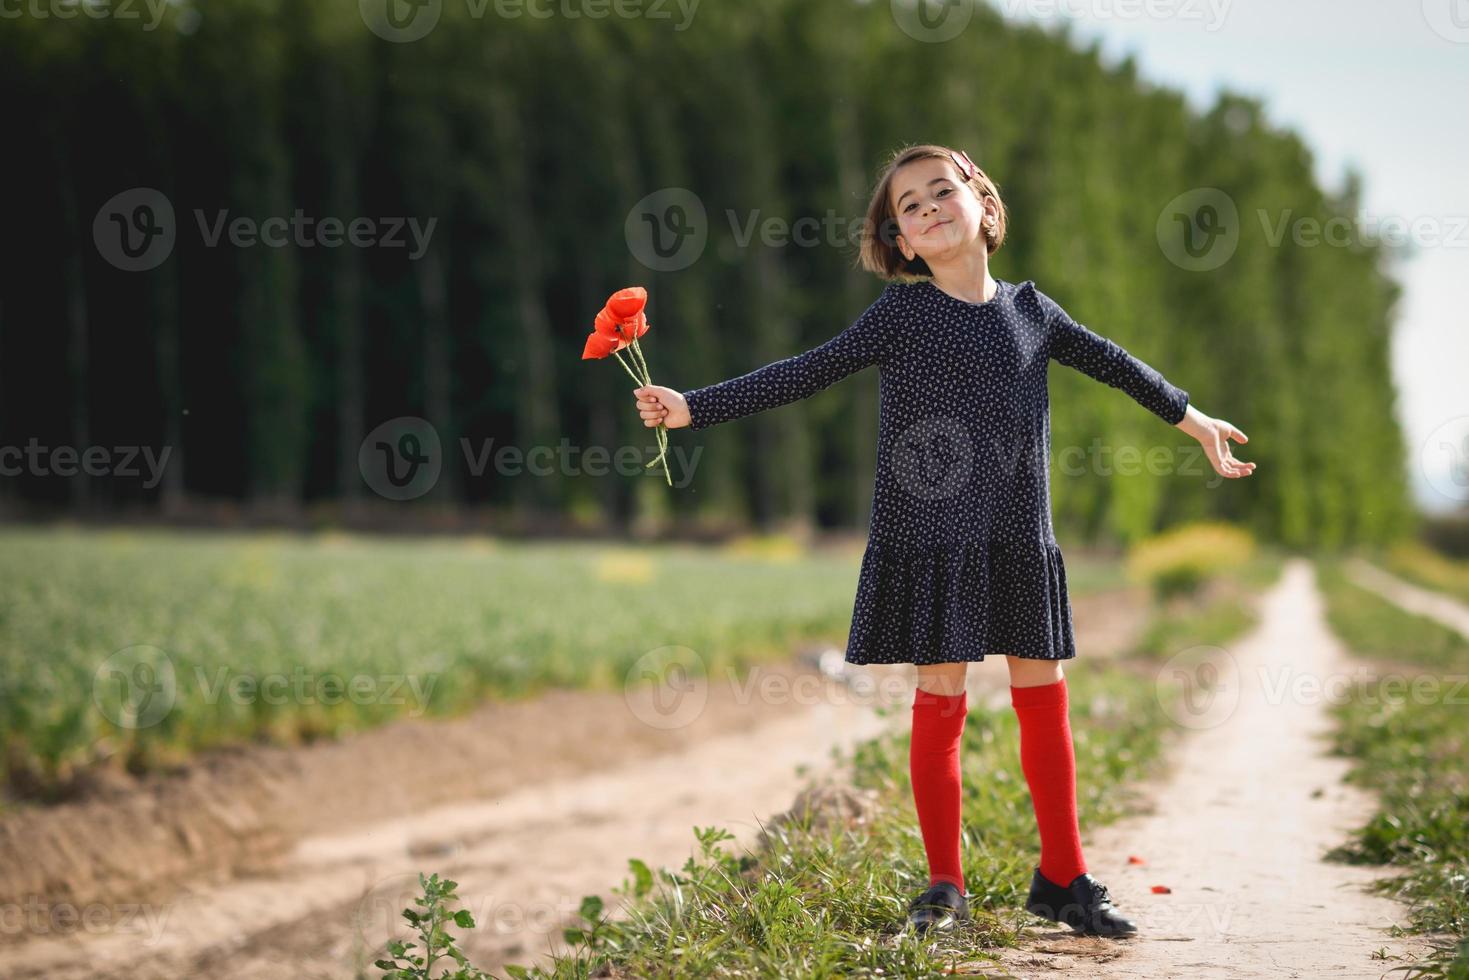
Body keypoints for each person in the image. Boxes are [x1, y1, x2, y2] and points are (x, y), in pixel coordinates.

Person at [630, 143, 1255, 939]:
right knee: (942, 695)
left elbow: (1116, 365)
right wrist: (693, 407)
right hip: (930, 533)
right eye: (908, 209)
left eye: (939, 193)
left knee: (1042, 691)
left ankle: (1062, 876)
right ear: (900, 242)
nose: (927, 210)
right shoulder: (901, 314)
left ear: (982, 205)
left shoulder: (1033, 311)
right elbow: (806, 371)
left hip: (1016, 531)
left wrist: (1193, 421)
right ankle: (943, 887)